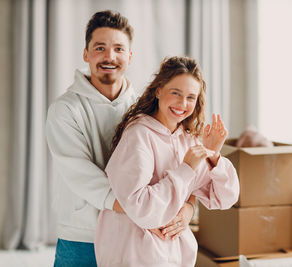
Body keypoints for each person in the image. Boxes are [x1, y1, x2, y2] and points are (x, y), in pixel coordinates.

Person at [46, 11, 196, 267]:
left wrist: (188, 207)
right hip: (84, 238)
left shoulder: (146, 108)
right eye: (100, 48)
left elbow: (173, 160)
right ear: (86, 54)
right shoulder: (65, 109)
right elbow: (80, 173)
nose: (109, 57)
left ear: (129, 56)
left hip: (134, 234)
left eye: (118, 48)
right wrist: (143, 209)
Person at [94, 56, 240, 267]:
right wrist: (186, 168)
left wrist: (212, 156)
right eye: (176, 93)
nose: (183, 104)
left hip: (173, 253)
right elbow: (141, 208)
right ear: (158, 90)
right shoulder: (138, 136)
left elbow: (225, 198)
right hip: (133, 252)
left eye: (191, 97)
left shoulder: (187, 139)